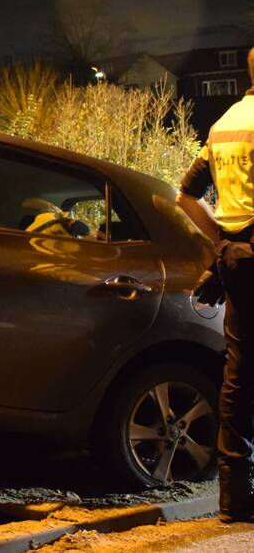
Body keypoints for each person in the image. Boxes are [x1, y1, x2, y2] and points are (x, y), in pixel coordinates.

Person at [177, 46, 254, 523]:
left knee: (240, 375)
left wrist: (222, 238)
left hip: (236, 259)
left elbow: (185, 195)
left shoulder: (224, 123)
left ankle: (234, 498)